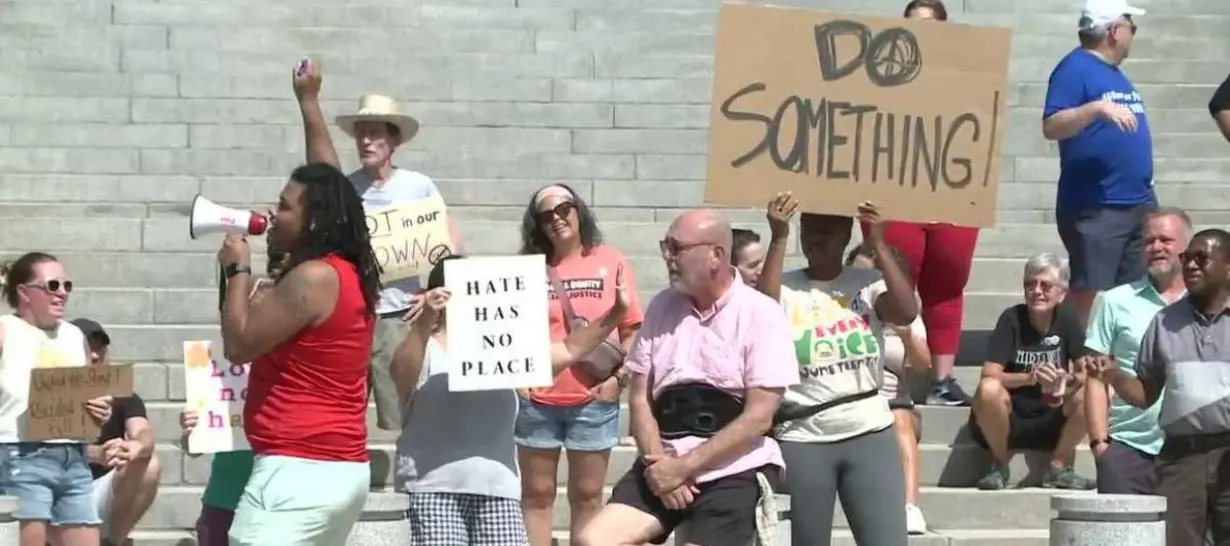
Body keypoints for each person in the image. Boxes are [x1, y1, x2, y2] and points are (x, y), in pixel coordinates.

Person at [575, 209, 798, 546]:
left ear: (716, 255)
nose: (667, 257)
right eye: (666, 246)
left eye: (677, 248)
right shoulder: (662, 307)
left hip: (733, 468)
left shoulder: (762, 314)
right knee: (593, 540)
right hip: (663, 458)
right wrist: (660, 467)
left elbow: (758, 417)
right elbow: (640, 398)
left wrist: (685, 468)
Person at [391, 254, 632, 545]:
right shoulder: (424, 347)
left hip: (498, 490)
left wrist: (616, 313)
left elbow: (570, 349)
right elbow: (402, 372)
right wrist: (424, 321)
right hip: (432, 488)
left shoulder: (507, 350)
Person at [291, 57, 464, 433]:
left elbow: (449, 239)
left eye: (375, 134)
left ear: (394, 140)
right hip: (354, 311)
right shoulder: (347, 186)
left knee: (402, 409)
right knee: (343, 408)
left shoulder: (418, 185)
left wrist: (433, 288)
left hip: (398, 314)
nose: (366, 141)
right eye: (361, 134)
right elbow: (321, 177)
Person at [217, 162, 380, 546]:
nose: (273, 213)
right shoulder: (348, 273)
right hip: (334, 468)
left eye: (285, 206)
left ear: (314, 221)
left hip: (298, 472)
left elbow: (238, 346)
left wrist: (237, 269)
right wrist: (308, 105)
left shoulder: (315, 277)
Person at [759, 194, 918, 546]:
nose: (816, 239)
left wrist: (878, 243)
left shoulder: (867, 281)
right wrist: (779, 237)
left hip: (869, 429)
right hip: (803, 434)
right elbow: (762, 316)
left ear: (846, 234)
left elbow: (906, 312)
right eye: (809, 230)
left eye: (827, 231)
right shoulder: (784, 286)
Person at [850, 0, 975, 408]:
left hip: (950, 194)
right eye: (912, 26)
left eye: (928, 26)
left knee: (946, 286)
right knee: (887, 280)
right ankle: (883, 372)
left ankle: (941, 379)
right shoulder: (878, 76)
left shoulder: (967, 77)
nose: (920, 33)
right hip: (894, 195)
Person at [515, 184, 643, 545]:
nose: (556, 219)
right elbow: (510, 330)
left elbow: (631, 329)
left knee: (587, 495)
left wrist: (618, 379)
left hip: (592, 398)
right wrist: (518, 379)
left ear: (579, 211)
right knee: (536, 494)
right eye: (545, 216)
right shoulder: (527, 266)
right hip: (537, 398)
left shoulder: (611, 260)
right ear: (537, 225)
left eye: (564, 209)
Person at [1093, 229, 1230, 545]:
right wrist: (1113, 376)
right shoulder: (1164, 322)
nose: (1191, 265)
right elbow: (1145, 394)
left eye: (1202, 258)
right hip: (1182, 458)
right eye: (1187, 258)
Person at [1042, 0, 1154, 325]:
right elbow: (1052, 125)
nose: (1134, 32)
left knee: (1135, 289)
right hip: (1097, 205)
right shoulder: (1074, 68)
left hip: (1137, 200)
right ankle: (1072, 357)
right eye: (1130, 25)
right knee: (1087, 288)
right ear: (1113, 31)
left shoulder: (1113, 74)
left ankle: (1123, 361)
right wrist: (1094, 109)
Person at [0, 252, 116, 546]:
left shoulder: (75, 335)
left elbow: (88, 394)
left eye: (67, 285)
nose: (63, 293)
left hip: (73, 458)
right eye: (53, 285)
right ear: (24, 292)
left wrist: (98, 409)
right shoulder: (5, 330)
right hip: (21, 455)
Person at [181, 246, 284, 546]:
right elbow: (194, 447)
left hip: (273, 502)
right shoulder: (216, 369)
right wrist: (192, 430)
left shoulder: (289, 369)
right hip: (224, 499)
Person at [1083, 208, 1190, 494]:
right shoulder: (1115, 302)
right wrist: (1099, 445)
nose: (1156, 247)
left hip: (1193, 455)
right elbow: (1095, 377)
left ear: (1187, 247)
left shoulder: (1207, 304)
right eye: (1149, 241)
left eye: (1166, 240)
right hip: (1129, 450)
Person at [968, 253, 1096, 491]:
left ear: (1062, 294)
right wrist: (1031, 377)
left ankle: (1058, 467)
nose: (1037, 291)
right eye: (1030, 284)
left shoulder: (1067, 319)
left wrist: (1064, 381)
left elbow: (1085, 372)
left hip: (1052, 414)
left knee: (1097, 389)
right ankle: (999, 465)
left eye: (1046, 285)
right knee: (988, 389)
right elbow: (990, 374)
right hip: (1010, 417)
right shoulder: (1011, 319)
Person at [845, 244, 931, 535]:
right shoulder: (835, 306)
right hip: (842, 399)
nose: (861, 281)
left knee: (902, 419)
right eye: (854, 273)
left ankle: (909, 506)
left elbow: (922, 365)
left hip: (890, 402)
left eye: (868, 275)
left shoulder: (904, 311)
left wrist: (903, 333)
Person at [74, 318, 160, 546]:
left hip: (102, 493)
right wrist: (96, 454)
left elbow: (144, 433)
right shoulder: (53, 397)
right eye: (87, 348)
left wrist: (133, 447)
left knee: (149, 462)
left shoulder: (124, 396)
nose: (94, 356)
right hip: (59, 489)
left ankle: (115, 542)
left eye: (99, 348)